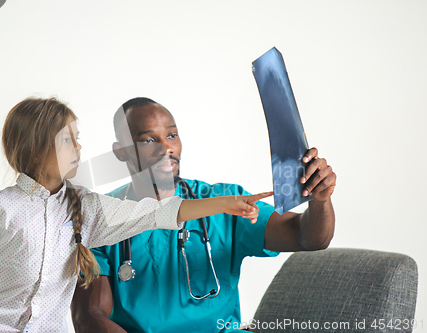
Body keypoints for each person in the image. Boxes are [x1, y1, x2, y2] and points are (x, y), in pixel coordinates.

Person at [0, 97, 269, 333]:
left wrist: (223, 204)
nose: (78, 149)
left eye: (77, 139)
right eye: (66, 141)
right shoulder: (1, 206)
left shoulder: (86, 207)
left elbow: (157, 214)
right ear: (35, 151)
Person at [70, 97, 336, 333]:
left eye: (172, 136)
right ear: (121, 152)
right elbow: (89, 317)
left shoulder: (223, 204)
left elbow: (307, 237)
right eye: (149, 140)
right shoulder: (101, 216)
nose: (166, 149)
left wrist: (320, 201)